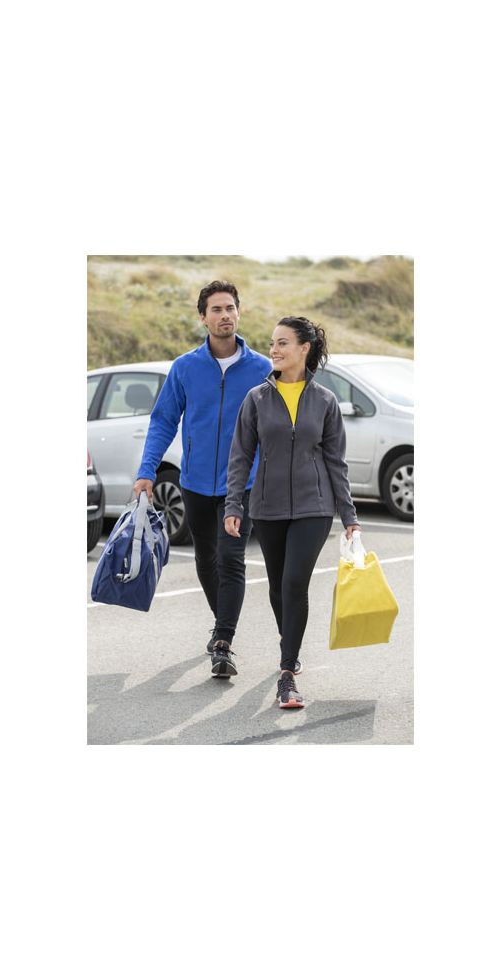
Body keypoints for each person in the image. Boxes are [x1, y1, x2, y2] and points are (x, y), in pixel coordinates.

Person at [133, 280, 271, 677]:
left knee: (231, 559)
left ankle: (223, 641)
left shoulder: (263, 369)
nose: (225, 315)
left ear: (238, 313)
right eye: (216, 309)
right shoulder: (185, 368)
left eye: (230, 308)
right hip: (194, 482)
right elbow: (163, 421)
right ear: (202, 318)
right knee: (206, 559)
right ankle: (221, 624)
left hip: (240, 485)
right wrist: (146, 471)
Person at [224, 317, 360, 709]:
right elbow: (240, 456)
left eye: (283, 343)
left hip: (314, 507)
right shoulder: (256, 399)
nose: (274, 350)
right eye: (273, 343)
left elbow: (336, 462)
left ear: (304, 348)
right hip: (267, 508)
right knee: (277, 586)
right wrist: (233, 504)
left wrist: (349, 516)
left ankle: (287, 673)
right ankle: (291, 641)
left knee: (295, 582)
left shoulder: (325, 401)